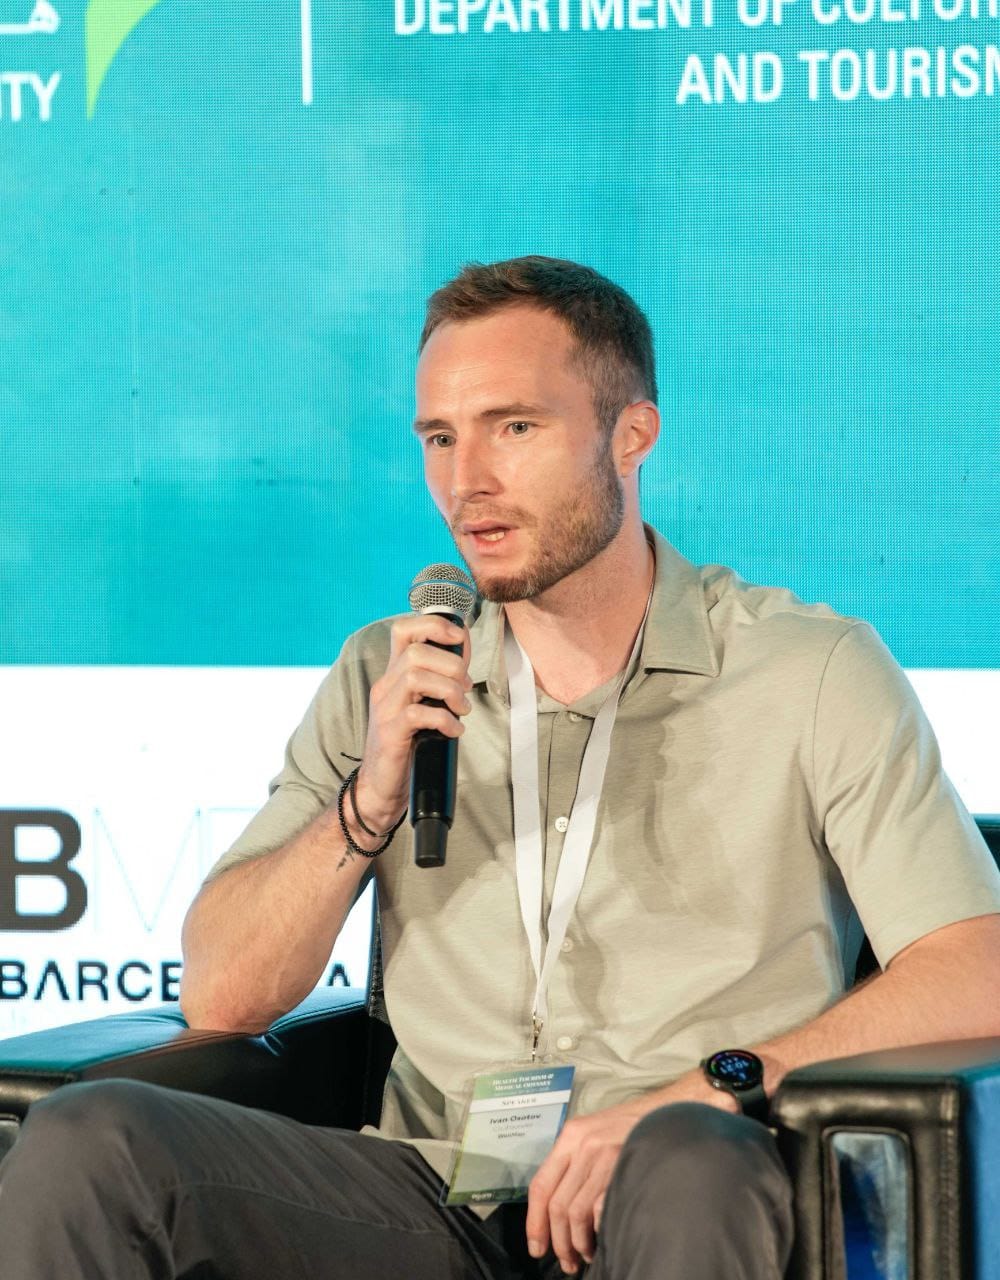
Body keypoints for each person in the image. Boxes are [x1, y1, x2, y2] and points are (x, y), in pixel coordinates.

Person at [1, 256, 999, 1279]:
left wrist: (717, 1084)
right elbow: (224, 997)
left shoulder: (807, 670)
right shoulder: (389, 674)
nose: (465, 479)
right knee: (92, 1138)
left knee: (691, 1161)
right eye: (439, 437)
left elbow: (977, 964)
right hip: (431, 1194)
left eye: (513, 426)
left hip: (678, 1176)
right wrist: (367, 803)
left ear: (632, 434)